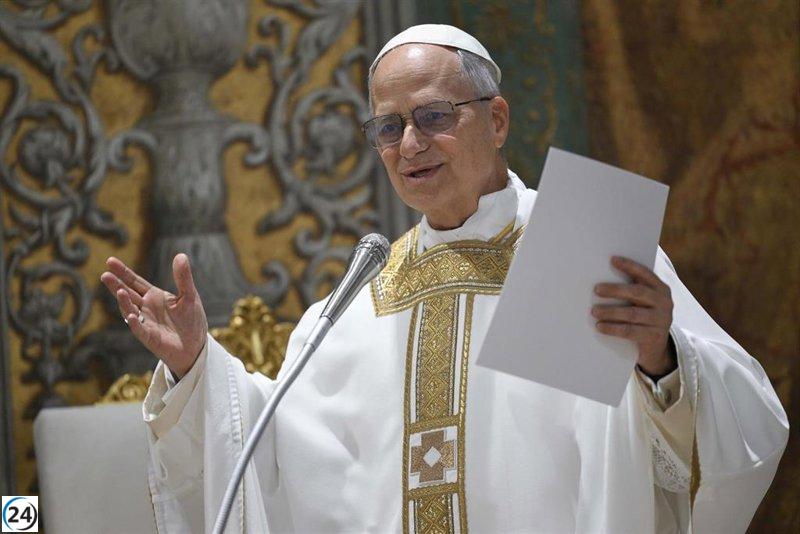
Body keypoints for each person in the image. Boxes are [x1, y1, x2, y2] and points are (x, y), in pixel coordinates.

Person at [101, 24, 788, 533]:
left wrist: (661, 359)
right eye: (389, 127)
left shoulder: (584, 249)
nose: (410, 145)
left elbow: (746, 423)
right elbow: (273, 458)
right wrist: (197, 366)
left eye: (433, 117)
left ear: (496, 118)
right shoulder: (360, 297)